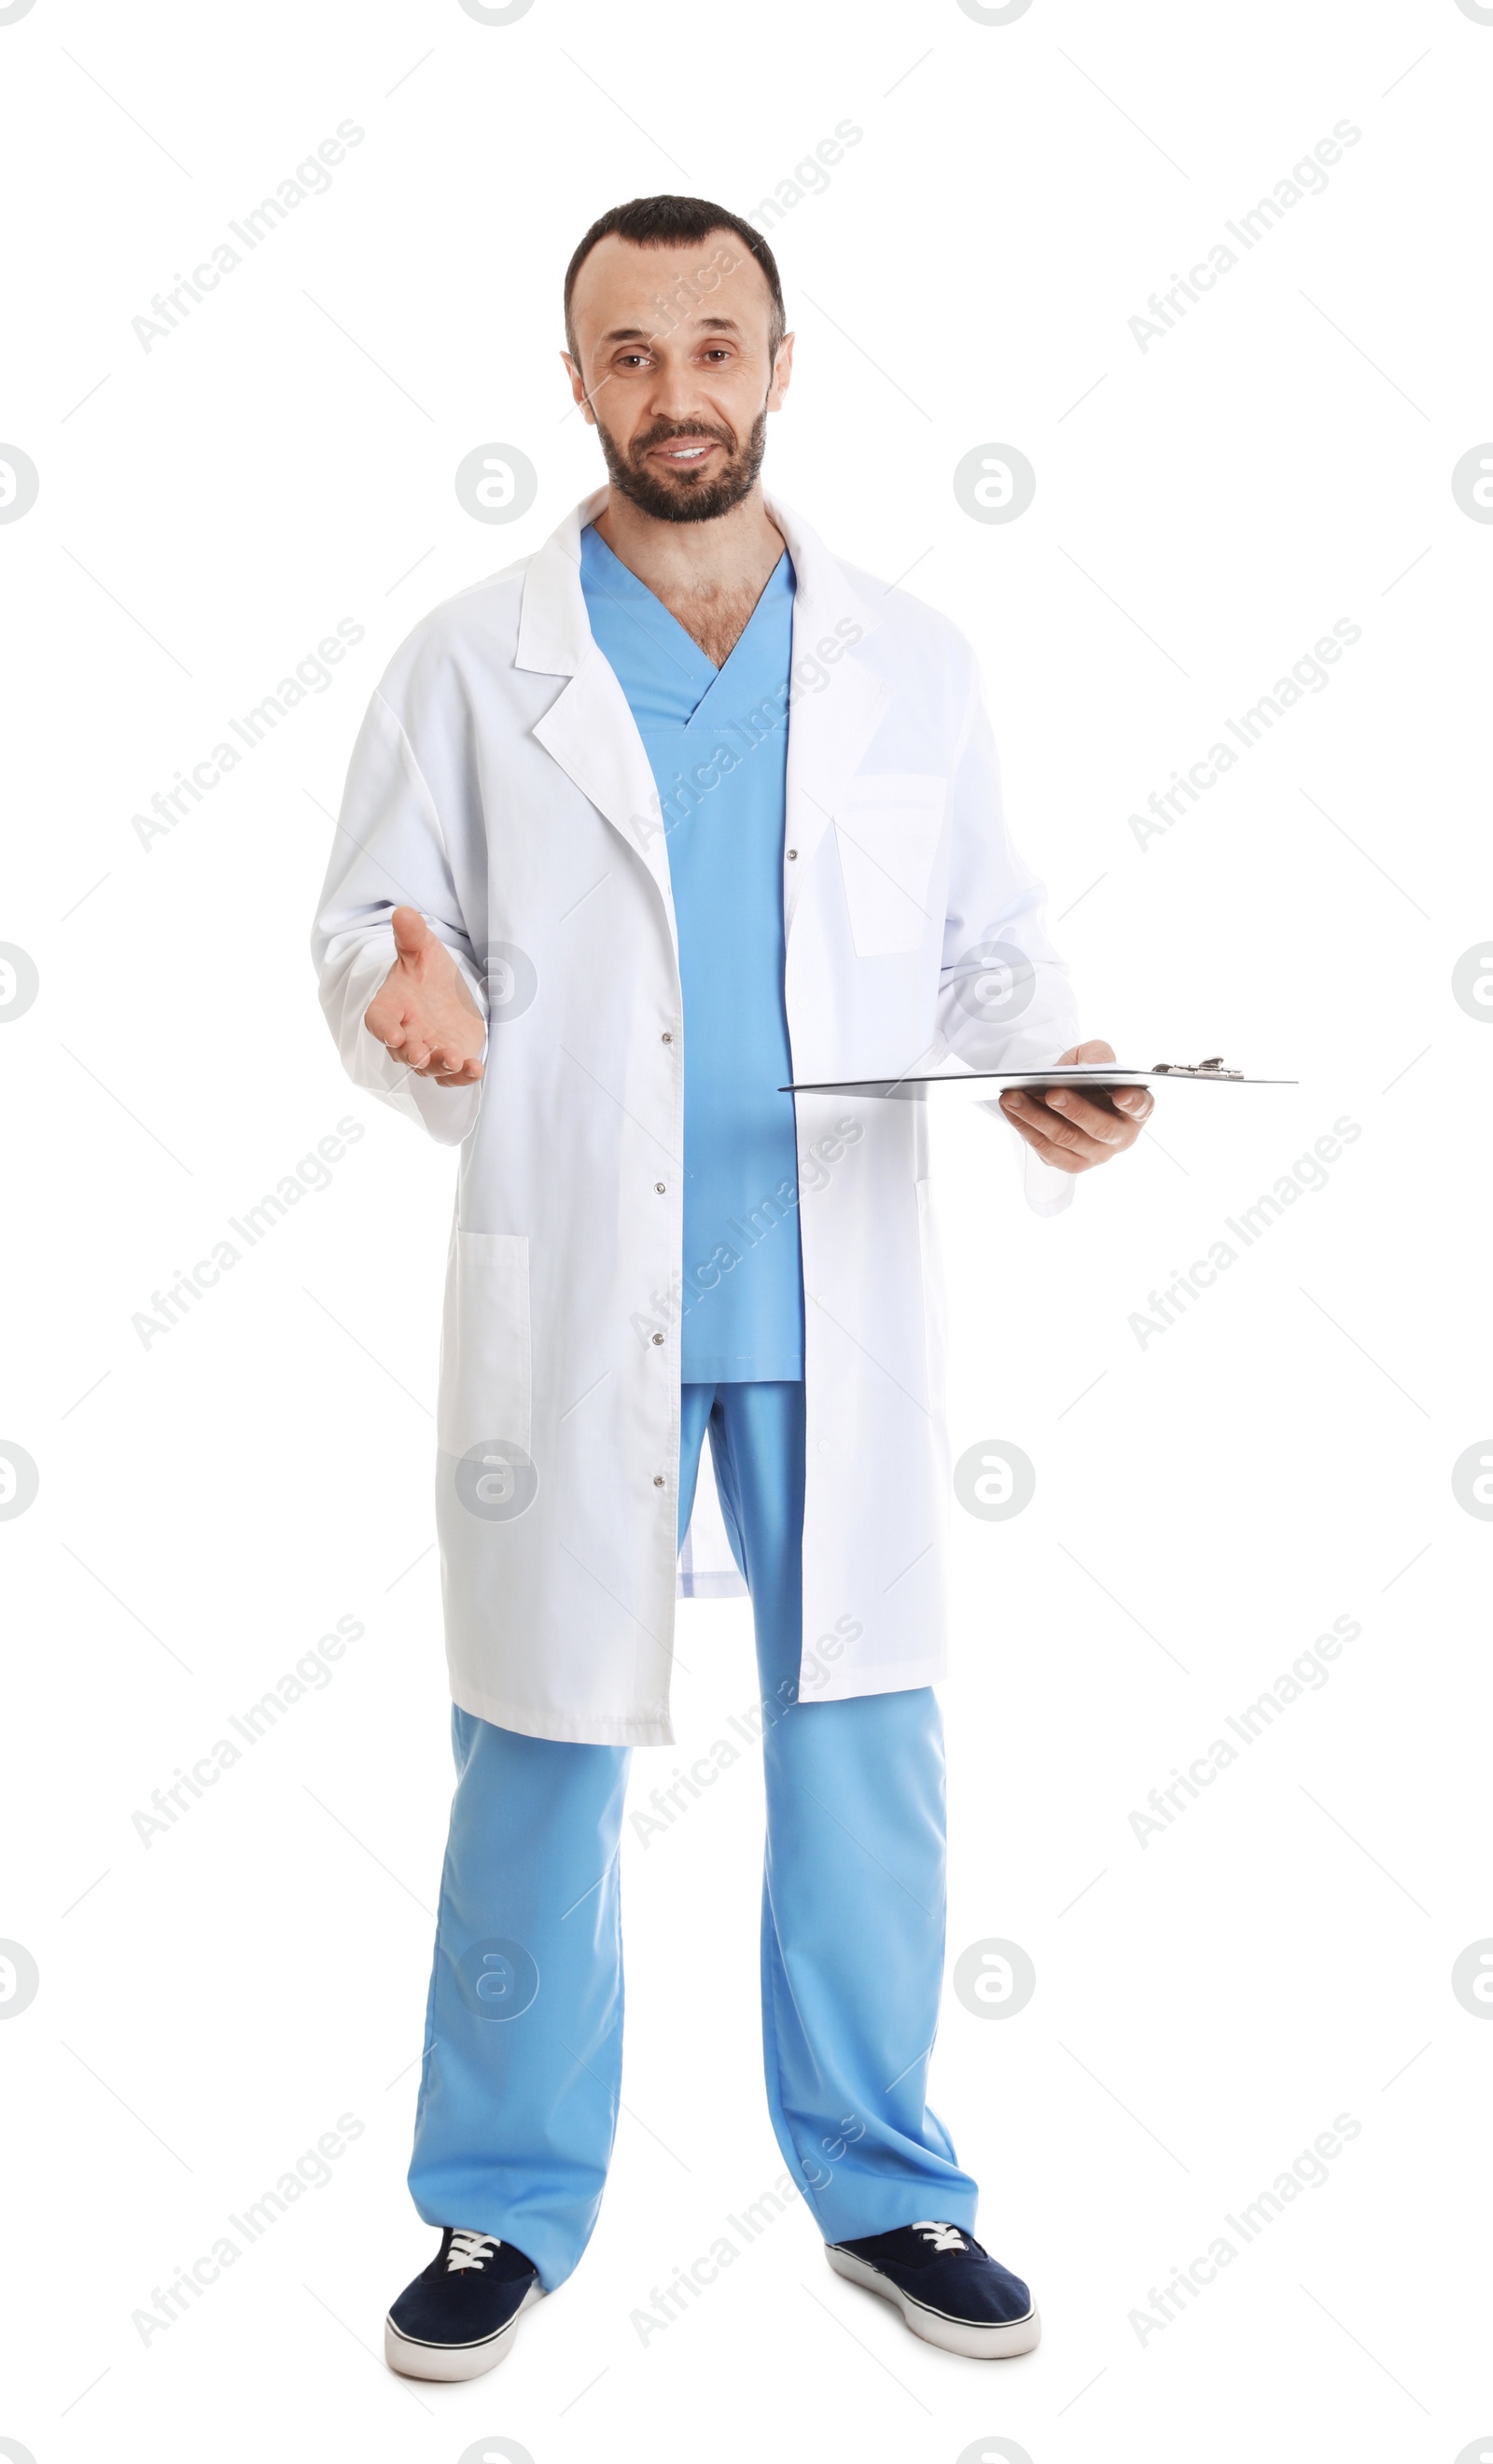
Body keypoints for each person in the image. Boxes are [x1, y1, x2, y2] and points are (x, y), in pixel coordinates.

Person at [311, 193, 1151, 2381]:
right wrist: (399, 1008)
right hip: (579, 1281)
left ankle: (886, 2190)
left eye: (712, 344)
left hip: (831, 1280)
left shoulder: (910, 660)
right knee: (538, 1750)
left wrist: (1047, 1068)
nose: (672, 391)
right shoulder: (470, 662)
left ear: (783, 361)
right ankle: (494, 2214)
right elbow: (376, 931)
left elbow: (987, 951)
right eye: (624, 354)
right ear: (572, 382)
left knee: (866, 1741)